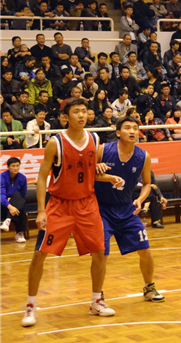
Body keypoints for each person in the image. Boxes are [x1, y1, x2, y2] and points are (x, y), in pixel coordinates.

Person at [21, 99, 123, 327]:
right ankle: (30, 306)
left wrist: (108, 177)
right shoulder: (55, 143)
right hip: (59, 205)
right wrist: (41, 211)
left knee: (100, 252)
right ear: (65, 117)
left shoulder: (95, 139)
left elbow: (90, 172)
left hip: (87, 204)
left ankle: (96, 301)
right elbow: (41, 178)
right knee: (40, 254)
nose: (81, 115)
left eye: (84, 111)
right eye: (76, 112)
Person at [95, 116, 165, 303]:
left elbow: (147, 184)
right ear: (118, 132)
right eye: (127, 128)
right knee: (101, 253)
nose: (132, 131)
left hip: (127, 209)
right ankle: (97, 295)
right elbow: (86, 172)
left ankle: (149, 288)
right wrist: (96, 166)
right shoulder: (103, 150)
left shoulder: (143, 156)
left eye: (135, 128)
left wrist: (140, 199)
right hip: (101, 209)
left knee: (145, 249)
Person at [0, 157, 29, 243]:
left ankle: (8, 221)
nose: (16, 168)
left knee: (18, 196)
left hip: (15, 204)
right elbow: (1, 195)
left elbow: (22, 195)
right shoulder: (2, 177)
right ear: (8, 167)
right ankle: (19, 232)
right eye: (13, 166)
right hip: (3, 206)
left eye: (17, 166)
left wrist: (12, 200)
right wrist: (10, 206)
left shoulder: (22, 178)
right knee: (19, 208)